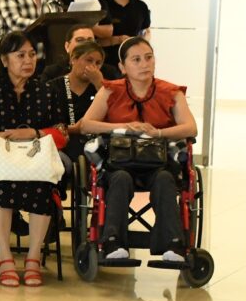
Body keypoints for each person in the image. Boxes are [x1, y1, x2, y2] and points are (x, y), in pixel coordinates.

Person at [0, 32, 68, 288]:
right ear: (4, 60)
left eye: (32, 54)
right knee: (1, 184)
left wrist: (33, 133)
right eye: (20, 55)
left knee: (43, 185)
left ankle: (33, 258)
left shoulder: (46, 90)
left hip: (35, 162)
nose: (28, 60)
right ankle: (5, 257)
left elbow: (62, 134)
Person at [79, 37, 196, 261]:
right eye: (136, 59)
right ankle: (113, 241)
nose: (144, 64)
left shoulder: (171, 92)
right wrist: (123, 127)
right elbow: (86, 125)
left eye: (148, 58)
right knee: (120, 179)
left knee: (165, 179)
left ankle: (173, 244)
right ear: (122, 67)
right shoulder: (110, 90)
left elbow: (191, 127)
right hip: (120, 162)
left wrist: (158, 133)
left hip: (158, 162)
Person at [50, 41, 105, 161]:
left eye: (98, 63)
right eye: (89, 60)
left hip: (96, 144)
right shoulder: (53, 87)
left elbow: (112, 115)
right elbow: (48, 125)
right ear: (73, 59)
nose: (93, 67)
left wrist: (100, 85)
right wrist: (74, 128)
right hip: (63, 144)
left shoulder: (103, 88)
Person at [102, 0, 152, 79]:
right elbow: (95, 40)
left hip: (135, 60)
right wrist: (118, 40)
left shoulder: (141, 6)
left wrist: (142, 44)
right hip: (108, 60)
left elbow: (146, 31)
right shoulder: (103, 5)